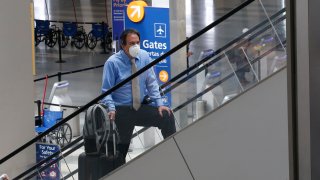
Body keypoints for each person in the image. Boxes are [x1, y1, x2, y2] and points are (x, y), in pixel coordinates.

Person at [101, 28, 176, 162]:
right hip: (121, 109)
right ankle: (118, 166)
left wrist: (159, 104)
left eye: (137, 43)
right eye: (131, 43)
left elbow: (151, 82)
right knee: (120, 151)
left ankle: (173, 156)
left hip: (139, 107)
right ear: (123, 45)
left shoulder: (144, 56)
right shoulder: (112, 63)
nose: (135, 46)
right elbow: (106, 91)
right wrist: (111, 108)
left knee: (167, 116)